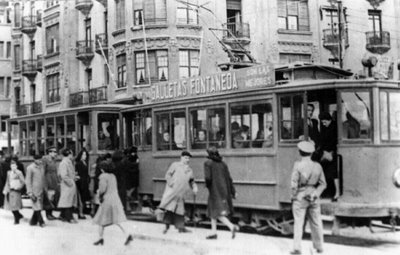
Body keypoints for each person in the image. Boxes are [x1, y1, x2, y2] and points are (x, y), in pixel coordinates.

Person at [290, 141, 326, 255]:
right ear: (311, 153)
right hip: (314, 197)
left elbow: (293, 184)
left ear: (300, 152)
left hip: (300, 197)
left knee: (298, 222)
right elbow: (323, 184)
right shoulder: (318, 166)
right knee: (316, 222)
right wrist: (315, 194)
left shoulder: (298, 165)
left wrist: (293, 195)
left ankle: (297, 248)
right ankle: (319, 247)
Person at [92, 161, 133, 246]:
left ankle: (100, 238)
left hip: (107, 201)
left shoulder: (103, 176)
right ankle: (127, 234)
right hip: (115, 199)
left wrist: (99, 193)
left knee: (101, 219)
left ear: (102, 169)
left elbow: (102, 189)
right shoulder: (113, 176)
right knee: (117, 220)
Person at [159, 151, 198, 234]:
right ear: (181, 157)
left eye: (188, 158)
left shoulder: (189, 170)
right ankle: (166, 227)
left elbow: (192, 180)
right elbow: (168, 175)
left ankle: (181, 228)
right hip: (172, 192)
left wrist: (194, 187)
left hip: (181, 194)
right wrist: (171, 183)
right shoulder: (175, 165)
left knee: (180, 211)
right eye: (185, 158)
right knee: (169, 209)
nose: (187, 160)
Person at [204, 146, 239, 239]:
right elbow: (229, 178)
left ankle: (231, 226)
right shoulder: (223, 164)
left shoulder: (208, 163)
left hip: (214, 191)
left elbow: (208, 178)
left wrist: (207, 186)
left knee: (216, 212)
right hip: (224, 190)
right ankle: (213, 232)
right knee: (212, 210)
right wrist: (233, 191)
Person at [318, 112, 340, 201]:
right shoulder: (327, 127)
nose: (323, 124)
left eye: (324, 122)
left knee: (334, 174)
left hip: (332, 154)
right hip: (327, 153)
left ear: (329, 119)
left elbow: (333, 141)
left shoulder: (335, 127)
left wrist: (328, 152)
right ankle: (329, 192)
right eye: (322, 122)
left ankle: (336, 193)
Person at [57, 148, 78, 223]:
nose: (72, 155)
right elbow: (63, 175)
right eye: (71, 154)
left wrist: (74, 178)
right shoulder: (64, 163)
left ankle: (62, 215)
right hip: (67, 185)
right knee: (67, 200)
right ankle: (69, 217)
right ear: (69, 154)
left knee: (67, 200)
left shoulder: (68, 162)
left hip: (68, 184)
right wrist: (70, 182)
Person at [25, 155, 46, 227]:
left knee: (38, 206)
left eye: (41, 160)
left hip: (41, 190)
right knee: (37, 206)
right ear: (34, 160)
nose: (40, 161)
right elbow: (28, 180)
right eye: (39, 160)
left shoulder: (42, 167)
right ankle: (41, 221)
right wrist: (29, 192)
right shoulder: (30, 168)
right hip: (34, 191)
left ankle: (33, 221)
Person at [2, 159, 25, 224]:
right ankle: (19, 215)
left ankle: (16, 219)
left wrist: (19, 187)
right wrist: (5, 189)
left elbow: (23, 181)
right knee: (11, 206)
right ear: (10, 166)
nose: (13, 167)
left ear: (16, 166)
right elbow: (7, 181)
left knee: (15, 205)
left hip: (16, 190)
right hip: (10, 190)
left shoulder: (19, 172)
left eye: (14, 166)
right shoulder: (9, 172)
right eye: (12, 166)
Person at [42, 147, 59, 220]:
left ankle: (51, 213)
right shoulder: (45, 159)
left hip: (53, 180)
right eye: (54, 152)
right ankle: (48, 214)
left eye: (56, 152)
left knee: (52, 197)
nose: (55, 153)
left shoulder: (53, 160)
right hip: (48, 180)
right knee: (48, 198)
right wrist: (44, 182)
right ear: (50, 152)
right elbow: (43, 171)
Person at [122, 146, 140, 211]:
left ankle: (129, 205)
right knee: (131, 189)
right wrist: (136, 163)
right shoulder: (128, 159)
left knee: (130, 190)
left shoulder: (126, 159)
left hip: (129, 177)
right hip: (131, 177)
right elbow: (130, 166)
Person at [75, 148, 91, 219]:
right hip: (81, 182)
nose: (85, 156)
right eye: (83, 154)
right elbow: (77, 173)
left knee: (84, 197)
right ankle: (80, 213)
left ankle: (82, 212)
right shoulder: (78, 164)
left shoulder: (85, 163)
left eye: (85, 154)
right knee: (81, 198)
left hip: (85, 182)